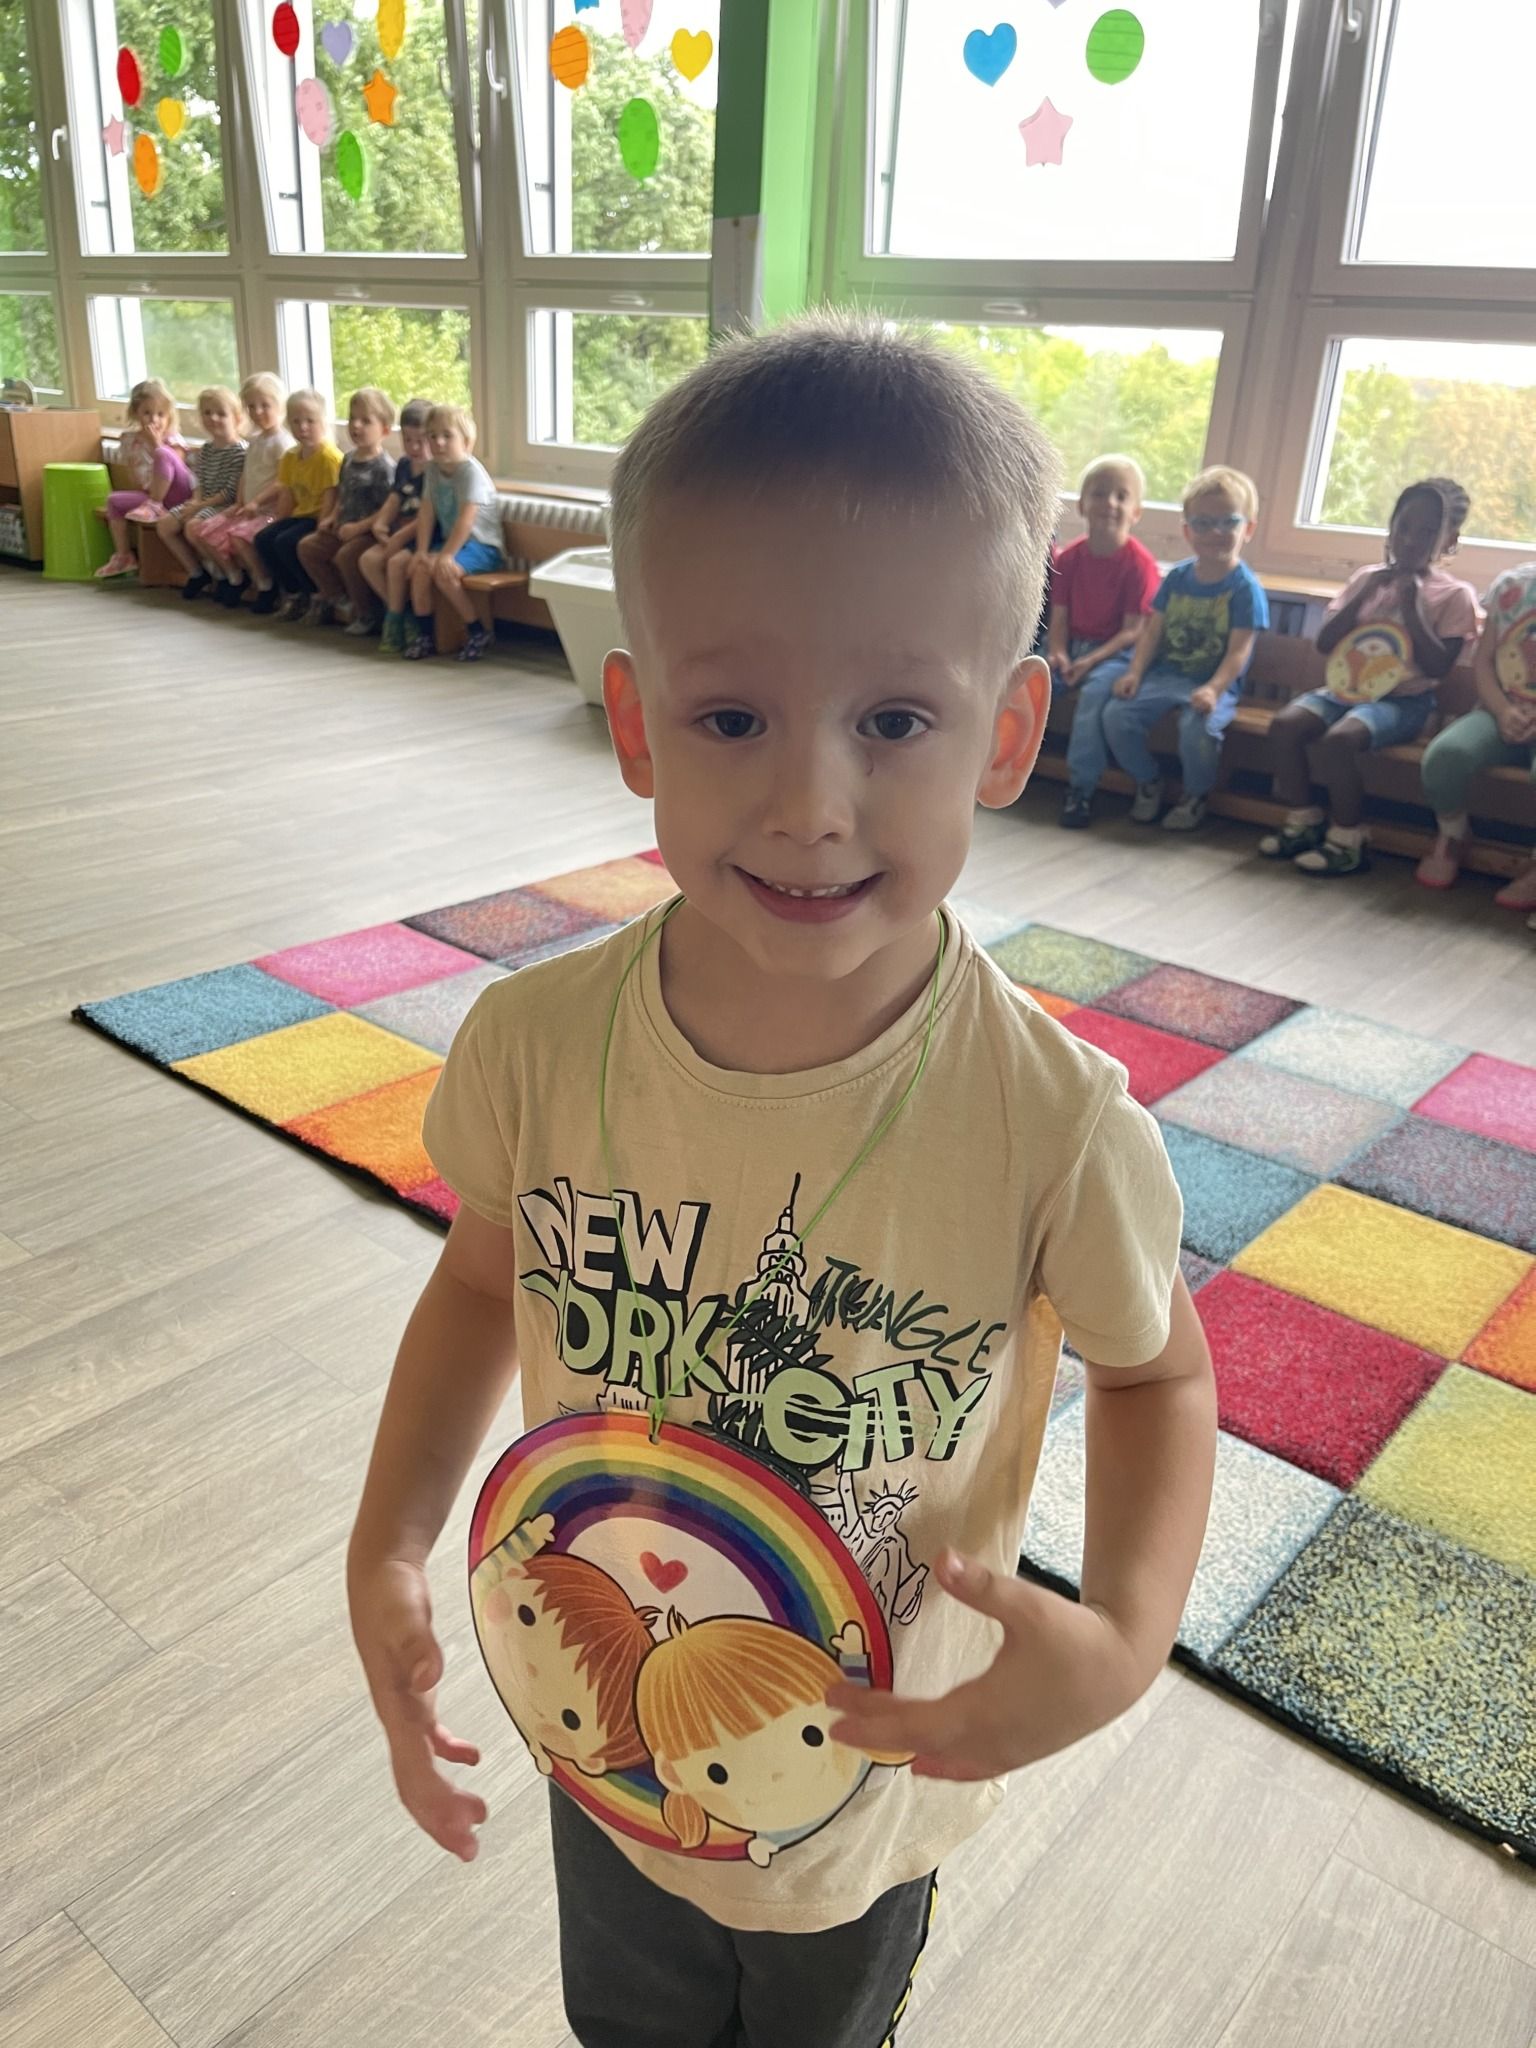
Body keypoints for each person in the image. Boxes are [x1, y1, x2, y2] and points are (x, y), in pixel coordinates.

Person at [347, 317, 1216, 2048]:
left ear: (1008, 732)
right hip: (603, 1731)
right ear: (636, 723)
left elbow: (1158, 1374)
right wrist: (388, 1537)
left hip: (867, 1784)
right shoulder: (533, 1043)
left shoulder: (1053, 1120)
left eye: (895, 718)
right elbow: (481, 1279)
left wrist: (1124, 1635)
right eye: (732, 715)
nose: (812, 801)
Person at [1260, 478, 1477, 876]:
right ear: (1390, 529)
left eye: (1427, 532)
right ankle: (1304, 819)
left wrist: (1412, 606)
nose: (1410, 540)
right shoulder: (1366, 579)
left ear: (1449, 541)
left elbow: (1438, 667)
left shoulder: (1454, 595)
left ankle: (1347, 838)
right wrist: (1363, 595)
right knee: (1285, 725)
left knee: (1339, 741)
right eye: (1403, 527)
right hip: (1345, 690)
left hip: (1404, 701)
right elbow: (1326, 642)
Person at [1097, 467, 1268, 832]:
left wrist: (1213, 689)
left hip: (1212, 685)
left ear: (1248, 529)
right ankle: (1148, 781)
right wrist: (1134, 673)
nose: (1216, 533)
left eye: (1228, 522)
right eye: (1203, 524)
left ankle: (1195, 795)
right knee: (1116, 715)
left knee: (1198, 728)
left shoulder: (1244, 589)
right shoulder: (1176, 578)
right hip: (1164, 676)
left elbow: (1239, 652)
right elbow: (1152, 633)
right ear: (1188, 531)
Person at [1414, 558, 1536, 907]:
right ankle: (1453, 835)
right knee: (1445, 757)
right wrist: (1503, 711)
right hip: (1500, 710)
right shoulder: (1513, 585)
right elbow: (1484, 662)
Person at [1048, 455, 1162, 829]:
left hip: (1116, 654)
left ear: (1136, 512)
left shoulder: (1139, 564)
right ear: (1082, 505)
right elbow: (1059, 616)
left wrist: (1089, 662)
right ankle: (1002, 765)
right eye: (1099, 494)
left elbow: (1133, 631)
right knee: (1030, 678)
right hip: (1073, 645)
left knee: (1094, 698)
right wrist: (1058, 652)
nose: (1109, 503)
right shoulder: (1069, 558)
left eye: (1121, 496)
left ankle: (1080, 789)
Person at [403, 403, 505, 662]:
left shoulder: (471, 473)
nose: (439, 442)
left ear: (466, 441)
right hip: (455, 545)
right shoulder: (433, 470)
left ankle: (477, 630)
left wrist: (446, 556)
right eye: (433, 436)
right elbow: (426, 513)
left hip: (483, 547)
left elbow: (465, 521)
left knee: (442, 572)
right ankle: (426, 635)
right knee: (420, 570)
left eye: (447, 436)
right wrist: (422, 551)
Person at [296, 386, 397, 628]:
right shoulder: (348, 459)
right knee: (308, 547)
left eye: (366, 421)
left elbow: (387, 510)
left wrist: (358, 528)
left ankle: (367, 613)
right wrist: (332, 516)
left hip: (368, 533)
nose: (356, 426)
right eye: (352, 419)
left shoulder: (384, 467)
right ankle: (339, 599)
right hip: (343, 527)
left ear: (384, 430)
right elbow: (343, 494)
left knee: (346, 556)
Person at [196, 372, 291, 608]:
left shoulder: (282, 442)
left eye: (265, 406)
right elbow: (246, 474)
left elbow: (282, 481)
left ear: (280, 405)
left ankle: (265, 584)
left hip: (269, 512)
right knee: (206, 530)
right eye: (251, 406)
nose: (257, 412)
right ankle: (234, 578)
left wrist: (257, 502)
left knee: (239, 537)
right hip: (248, 508)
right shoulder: (255, 439)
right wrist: (239, 502)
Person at [251, 389, 343, 618]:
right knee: (264, 538)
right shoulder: (290, 457)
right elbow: (288, 493)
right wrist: (279, 521)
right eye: (296, 422)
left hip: (318, 517)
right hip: (300, 516)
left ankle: (313, 593)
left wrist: (322, 529)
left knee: (287, 542)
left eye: (310, 421)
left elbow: (332, 496)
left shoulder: (328, 458)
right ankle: (293, 592)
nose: (303, 427)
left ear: (322, 422)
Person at [152, 385, 247, 600]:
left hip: (223, 505)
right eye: (207, 413)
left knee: (194, 527)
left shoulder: (240, 451)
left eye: (221, 414)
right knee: (165, 525)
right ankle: (197, 572)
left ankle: (229, 574)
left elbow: (230, 491)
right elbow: (199, 481)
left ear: (236, 418)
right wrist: (195, 502)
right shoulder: (206, 449)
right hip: (203, 502)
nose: (213, 418)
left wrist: (200, 507)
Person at [94, 379, 195, 579]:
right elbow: (136, 479)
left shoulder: (173, 438)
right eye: (147, 413)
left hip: (178, 494)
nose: (154, 420)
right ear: (136, 413)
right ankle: (124, 556)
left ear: (169, 415)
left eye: (160, 414)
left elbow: (177, 466)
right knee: (114, 501)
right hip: (151, 498)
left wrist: (157, 444)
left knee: (163, 454)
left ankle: (155, 505)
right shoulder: (130, 440)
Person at [358, 396, 433, 647]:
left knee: (395, 563)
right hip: (399, 531)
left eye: (421, 441)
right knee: (368, 560)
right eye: (408, 440)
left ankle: (396, 619)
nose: (414, 447)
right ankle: (401, 613)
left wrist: (399, 538)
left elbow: (428, 516)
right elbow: (395, 498)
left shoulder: (436, 472)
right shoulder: (404, 464)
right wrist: (380, 523)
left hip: (422, 536)